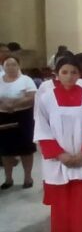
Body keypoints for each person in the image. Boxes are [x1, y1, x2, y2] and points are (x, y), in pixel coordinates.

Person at [33, 56, 82, 232]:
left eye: (74, 72)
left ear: (80, 74)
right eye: (64, 72)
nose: (69, 76)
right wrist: (60, 155)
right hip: (59, 159)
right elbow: (42, 128)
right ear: (56, 74)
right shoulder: (46, 98)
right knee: (63, 202)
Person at [0, 55, 36, 190]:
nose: (10, 67)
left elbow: (31, 97)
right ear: (3, 66)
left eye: (13, 64)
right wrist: (4, 103)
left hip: (23, 116)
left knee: (26, 148)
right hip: (3, 117)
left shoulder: (26, 80)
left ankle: (28, 177)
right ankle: (8, 179)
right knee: (5, 150)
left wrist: (14, 104)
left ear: (18, 66)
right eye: (7, 64)